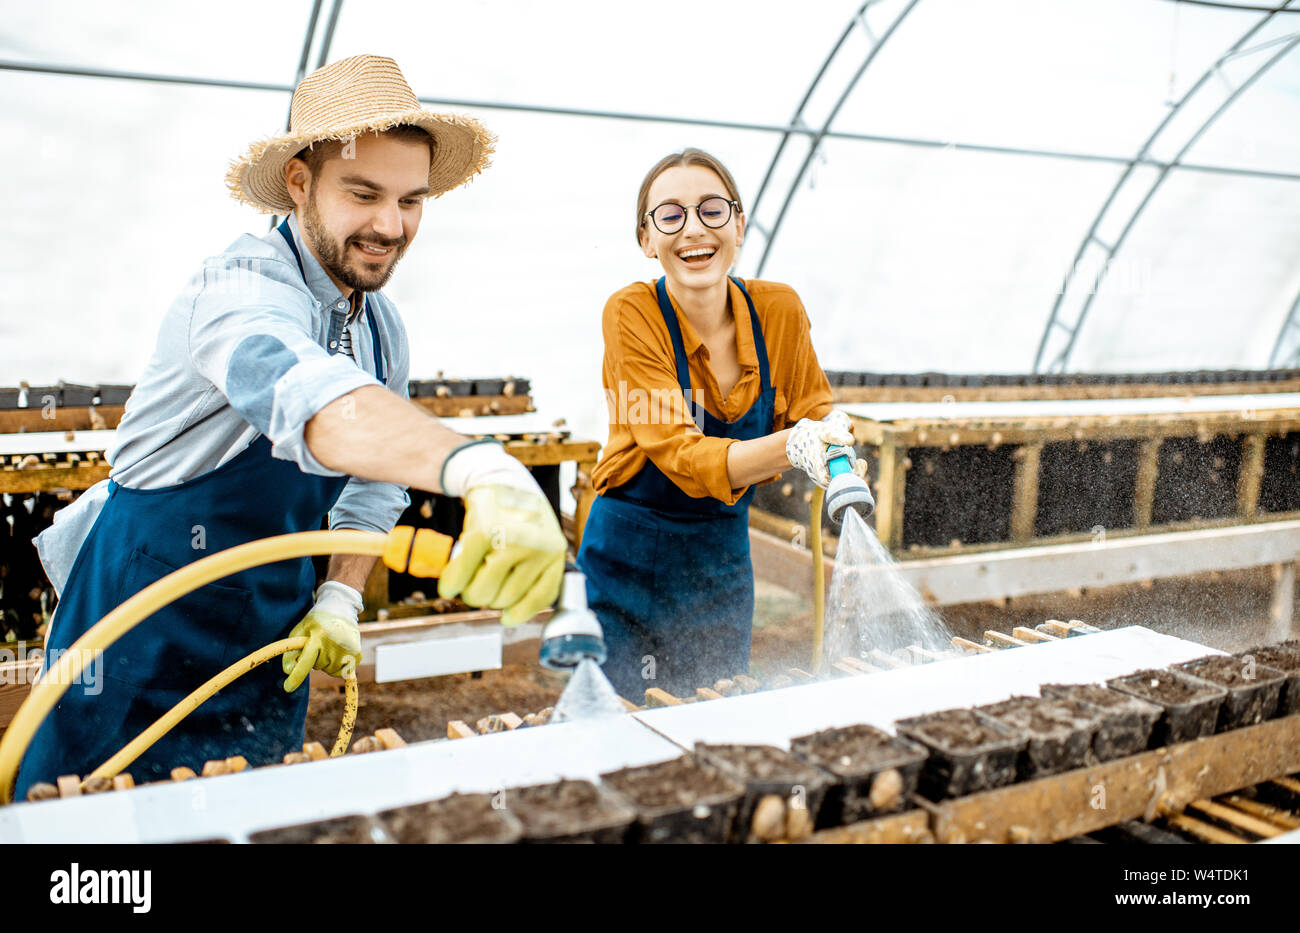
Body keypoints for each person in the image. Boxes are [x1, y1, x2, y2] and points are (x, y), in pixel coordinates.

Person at [16, 55, 565, 795]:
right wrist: (478, 466)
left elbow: (370, 485)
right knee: (94, 827)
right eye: (363, 193)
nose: (390, 225)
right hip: (137, 626)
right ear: (301, 182)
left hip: (268, 633)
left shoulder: (381, 329)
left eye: (411, 200)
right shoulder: (237, 290)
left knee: (251, 807)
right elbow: (307, 397)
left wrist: (339, 596)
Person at [577, 147, 867, 700]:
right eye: (670, 215)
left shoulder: (778, 309)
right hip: (627, 558)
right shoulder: (631, 312)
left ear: (738, 224)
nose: (693, 230)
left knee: (711, 720)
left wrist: (835, 447)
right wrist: (793, 445)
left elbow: (814, 409)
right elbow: (682, 455)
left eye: (712, 210)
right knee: (615, 729)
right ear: (646, 238)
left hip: (720, 560)